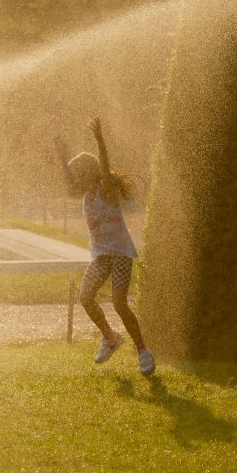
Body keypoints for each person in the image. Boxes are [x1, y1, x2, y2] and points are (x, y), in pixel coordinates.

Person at [56, 117, 155, 375]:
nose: (75, 179)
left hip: (120, 253)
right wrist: (61, 151)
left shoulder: (106, 192)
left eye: (78, 173)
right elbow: (67, 179)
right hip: (101, 256)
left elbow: (106, 166)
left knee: (119, 302)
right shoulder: (86, 196)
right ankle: (110, 337)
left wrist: (100, 140)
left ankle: (143, 350)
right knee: (86, 297)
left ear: (88, 173)